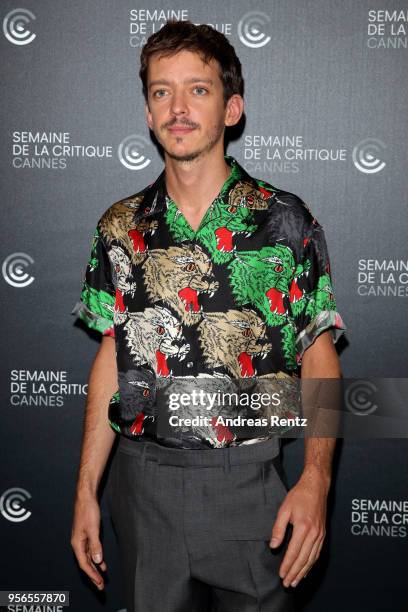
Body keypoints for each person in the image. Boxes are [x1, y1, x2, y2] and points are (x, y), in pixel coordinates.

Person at [70, 19, 346, 612]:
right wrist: (85, 491)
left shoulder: (286, 221)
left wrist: (317, 479)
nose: (177, 107)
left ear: (232, 108)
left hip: (253, 487)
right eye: (161, 91)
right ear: (147, 112)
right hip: (143, 487)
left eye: (198, 89)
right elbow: (111, 358)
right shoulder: (119, 226)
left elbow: (320, 354)